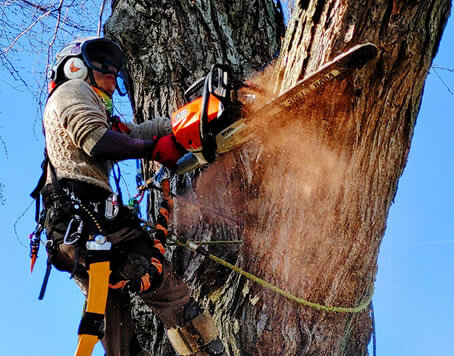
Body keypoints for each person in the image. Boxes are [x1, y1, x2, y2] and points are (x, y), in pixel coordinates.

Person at [31, 37, 226, 356]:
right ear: (75, 66)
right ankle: (206, 347)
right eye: (102, 62)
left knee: (116, 334)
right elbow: (97, 141)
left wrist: (181, 126)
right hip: (88, 215)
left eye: (115, 67)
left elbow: (137, 134)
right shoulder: (72, 92)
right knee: (157, 276)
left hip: (73, 231)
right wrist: (156, 149)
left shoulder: (100, 113)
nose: (111, 71)